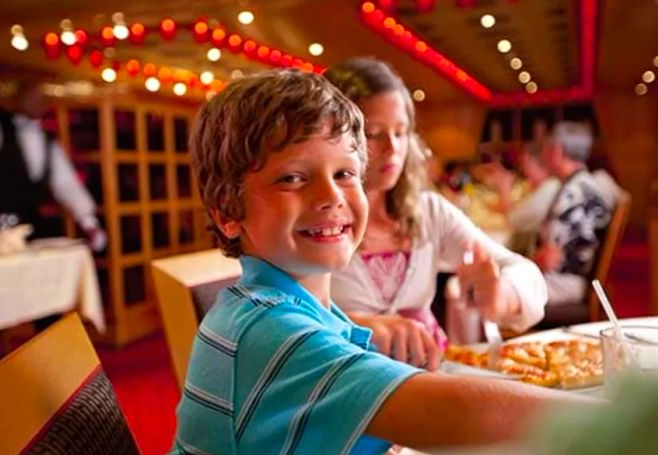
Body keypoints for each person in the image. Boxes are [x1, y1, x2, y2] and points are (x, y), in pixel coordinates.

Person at [173, 69, 592, 454]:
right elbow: (455, 413)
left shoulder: (301, 309)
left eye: (345, 174)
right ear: (227, 212)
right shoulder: (271, 333)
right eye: (292, 178)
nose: (332, 197)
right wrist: (629, 418)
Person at [324, 58, 547, 352]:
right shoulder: (316, 222)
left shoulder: (428, 211)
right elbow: (283, 320)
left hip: (429, 372)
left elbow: (525, 272)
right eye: (373, 133)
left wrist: (499, 295)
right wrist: (352, 326)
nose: (393, 149)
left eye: (401, 133)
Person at [0, 81, 106, 250]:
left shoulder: (48, 141)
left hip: (34, 225)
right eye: (31, 97)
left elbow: (66, 184)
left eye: (40, 97)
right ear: (16, 100)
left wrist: (89, 222)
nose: (37, 101)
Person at [532, 121, 613, 305]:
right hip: (575, 280)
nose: (542, 155)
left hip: (566, 284)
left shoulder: (573, 194)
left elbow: (551, 259)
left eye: (546, 148)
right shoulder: (583, 184)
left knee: (479, 290)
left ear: (558, 151)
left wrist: (525, 260)